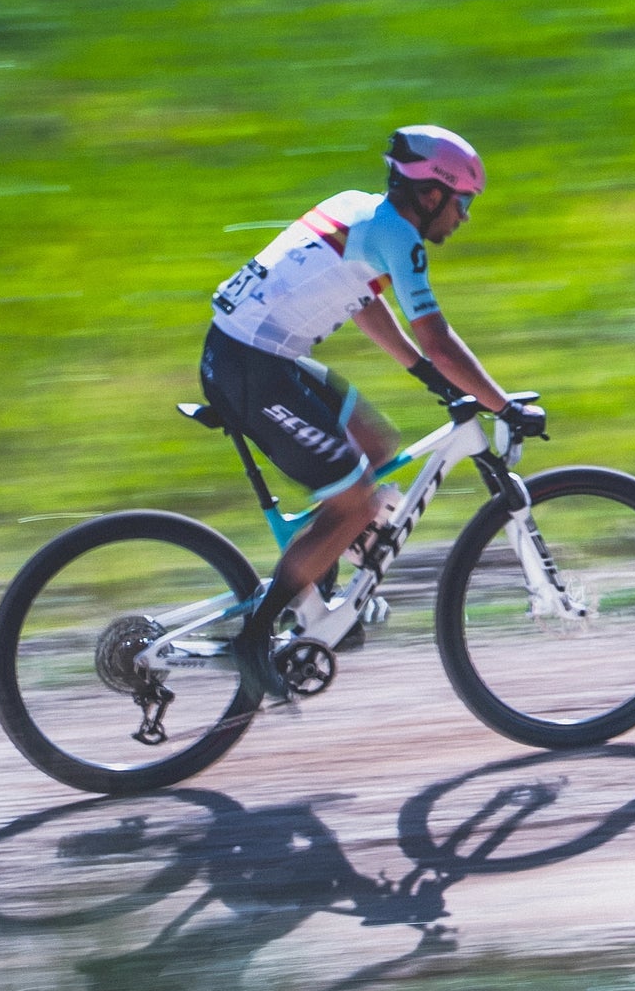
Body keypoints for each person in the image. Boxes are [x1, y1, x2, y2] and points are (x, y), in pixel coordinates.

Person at [197, 124, 540, 699]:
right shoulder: (397, 236)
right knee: (356, 499)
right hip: (254, 368)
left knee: (376, 447)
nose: (464, 217)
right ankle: (256, 640)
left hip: (250, 353)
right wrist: (501, 404)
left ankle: (319, 603)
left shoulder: (357, 209)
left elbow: (366, 305)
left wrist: (424, 375)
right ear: (431, 194)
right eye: (462, 203)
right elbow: (439, 338)